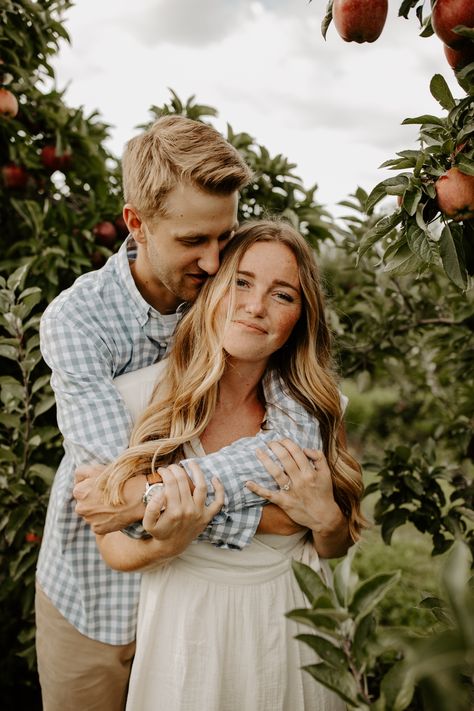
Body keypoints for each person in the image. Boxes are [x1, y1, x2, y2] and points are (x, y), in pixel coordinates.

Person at [35, 116, 348, 711]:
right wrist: (284, 519)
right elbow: (117, 505)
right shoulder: (77, 321)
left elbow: (286, 435)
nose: (212, 263)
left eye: (222, 239)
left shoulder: (237, 292)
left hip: (193, 604)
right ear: (137, 223)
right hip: (97, 595)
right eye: (191, 242)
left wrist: (162, 499)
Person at [97, 219, 365, 711]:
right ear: (214, 287)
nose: (256, 306)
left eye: (282, 295)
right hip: (186, 626)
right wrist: (169, 536)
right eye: (241, 282)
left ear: (300, 318)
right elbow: (110, 536)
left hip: (290, 622)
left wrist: (325, 520)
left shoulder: (319, 409)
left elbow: (336, 544)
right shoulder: (139, 398)